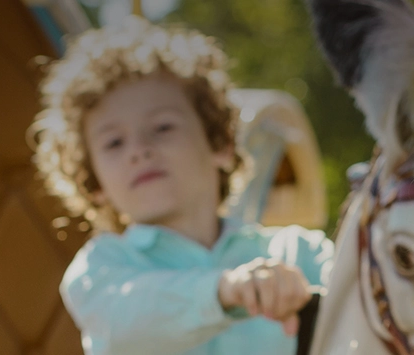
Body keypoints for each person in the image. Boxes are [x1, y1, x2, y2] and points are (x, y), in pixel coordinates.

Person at [29, 17, 335, 355]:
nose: (139, 151)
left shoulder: (300, 253)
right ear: (94, 181)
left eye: (162, 128)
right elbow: (128, 321)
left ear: (220, 144)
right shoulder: (100, 269)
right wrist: (225, 290)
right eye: (114, 143)